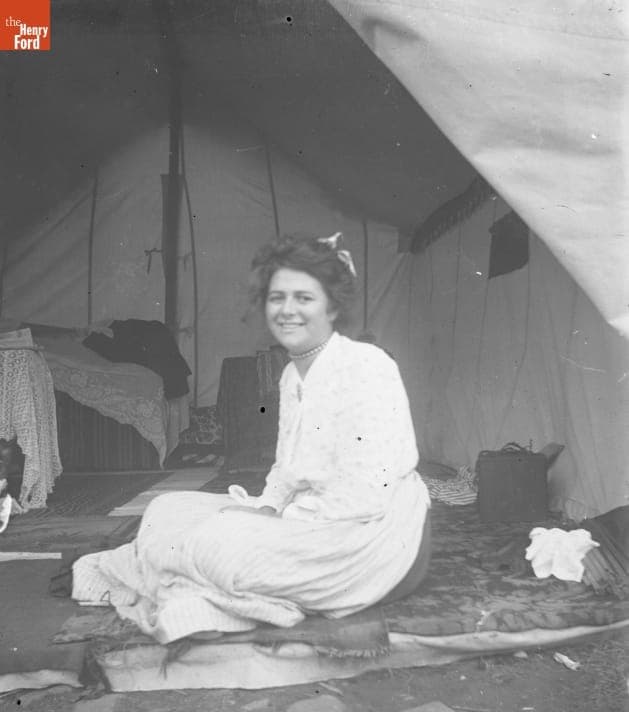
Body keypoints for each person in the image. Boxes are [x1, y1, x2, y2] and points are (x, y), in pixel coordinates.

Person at [72, 232, 431, 644]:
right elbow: (285, 467)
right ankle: (198, 569)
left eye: (304, 298)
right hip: (312, 517)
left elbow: (367, 493)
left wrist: (277, 520)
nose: (287, 311)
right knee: (166, 508)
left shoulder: (367, 366)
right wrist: (267, 505)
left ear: (333, 305)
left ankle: (195, 576)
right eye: (277, 298)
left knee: (218, 545)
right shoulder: (290, 375)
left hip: (370, 536)